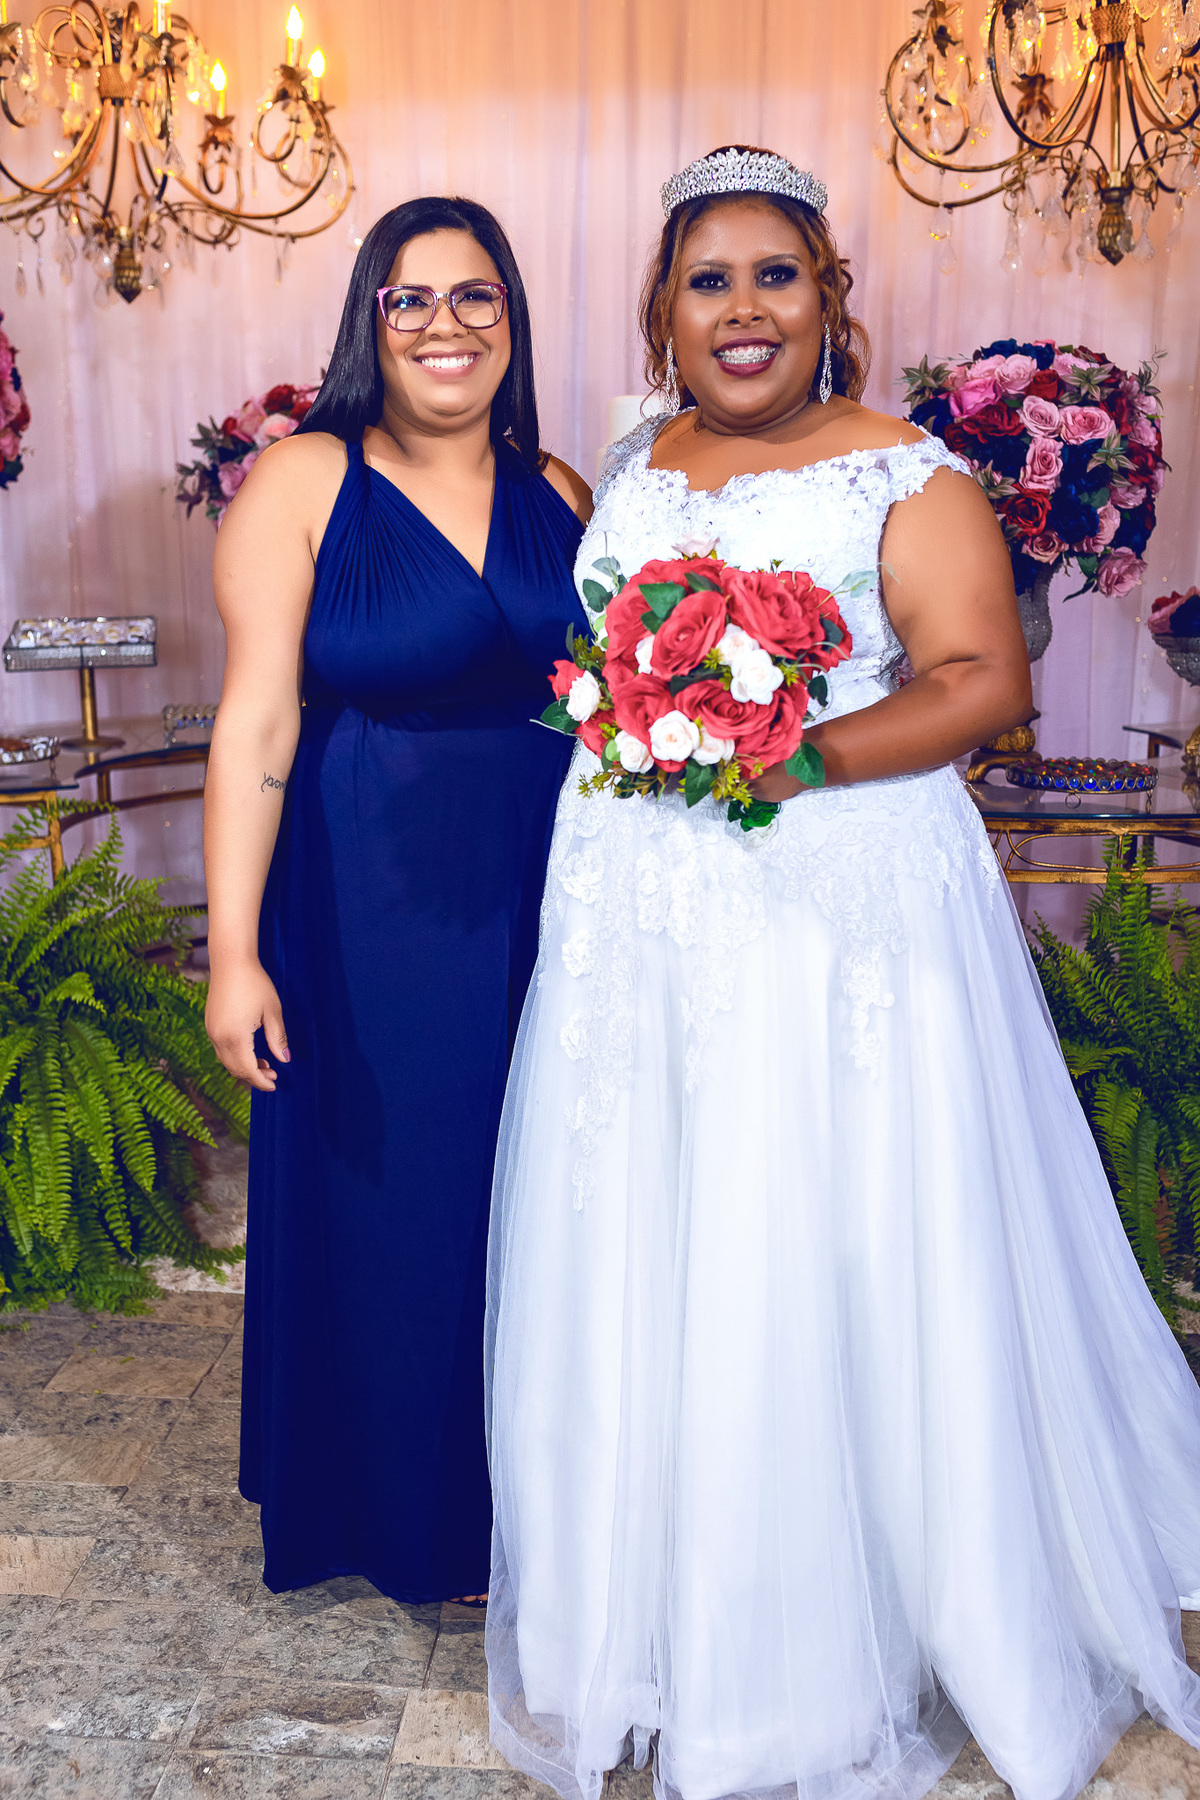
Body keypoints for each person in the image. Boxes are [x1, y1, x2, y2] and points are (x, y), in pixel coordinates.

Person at [485, 147, 1200, 1799]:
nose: (742, 309)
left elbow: (981, 680)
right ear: (665, 311)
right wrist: (640, 714)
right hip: (636, 909)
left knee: (829, 1225)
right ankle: (640, 1624)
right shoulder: (631, 462)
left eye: (775, 275)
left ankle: (813, 1653)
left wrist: (782, 754)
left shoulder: (909, 474)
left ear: (829, 300)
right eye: (708, 280)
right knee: (651, 1225)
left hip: (833, 904)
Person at [203, 196, 591, 1606]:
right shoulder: (306, 479)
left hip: (551, 885)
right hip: (371, 894)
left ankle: (541, 1505)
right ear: (371, 321)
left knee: (541, 1187)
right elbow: (256, 723)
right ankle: (409, 1517)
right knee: (403, 1194)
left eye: (476, 296)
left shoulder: (560, 489)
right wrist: (233, 953)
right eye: (411, 298)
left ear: (513, 319)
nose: (446, 325)